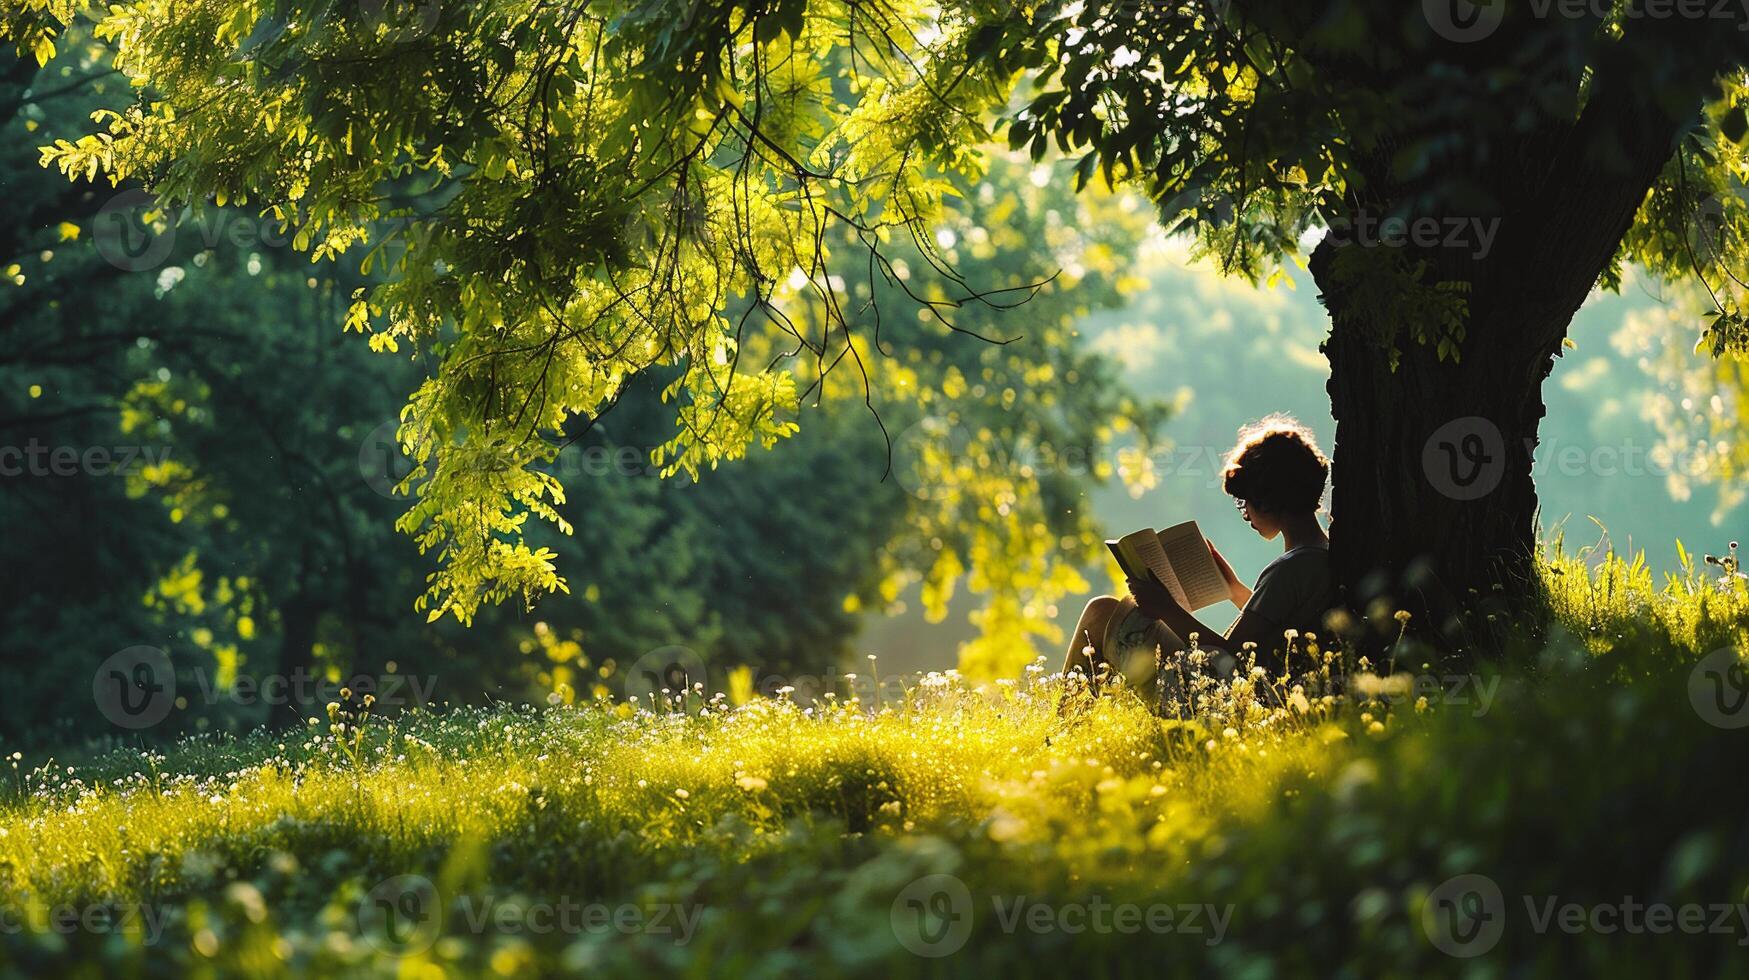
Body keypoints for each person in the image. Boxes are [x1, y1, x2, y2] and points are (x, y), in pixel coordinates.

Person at [1063, 414, 1336, 691]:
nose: (1245, 515)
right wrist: (1232, 588)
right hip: (1251, 691)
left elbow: (1231, 658)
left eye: (1245, 503)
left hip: (1219, 693)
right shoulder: (1320, 554)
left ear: (1266, 500)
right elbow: (1269, 630)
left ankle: (1064, 720)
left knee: (1101, 611)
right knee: (1109, 613)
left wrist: (1166, 609)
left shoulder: (1288, 569)